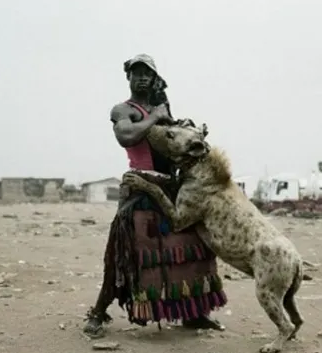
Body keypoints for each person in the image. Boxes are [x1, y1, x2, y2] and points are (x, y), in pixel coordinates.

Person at [83, 54, 227, 336]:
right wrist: (156, 118)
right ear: (128, 77)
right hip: (140, 189)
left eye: (147, 74)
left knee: (193, 249)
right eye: (137, 73)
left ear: (154, 78)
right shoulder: (123, 110)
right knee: (124, 256)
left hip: (172, 189)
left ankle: (194, 313)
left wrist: (186, 130)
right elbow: (126, 136)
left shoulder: (162, 108)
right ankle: (98, 313)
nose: (142, 78)